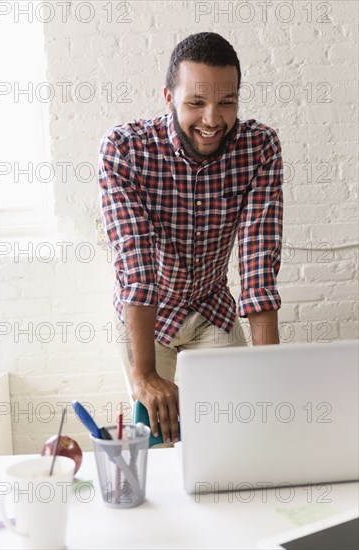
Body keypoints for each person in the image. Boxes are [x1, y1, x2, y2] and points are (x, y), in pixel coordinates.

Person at [98, 32, 283, 445]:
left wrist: (272, 369)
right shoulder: (125, 150)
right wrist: (144, 375)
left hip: (211, 308)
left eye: (227, 103)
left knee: (233, 433)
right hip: (149, 315)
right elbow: (137, 266)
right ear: (169, 97)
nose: (213, 120)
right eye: (196, 103)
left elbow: (257, 260)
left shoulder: (260, 148)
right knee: (160, 440)